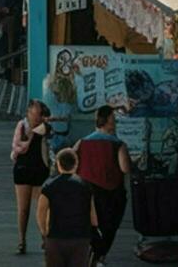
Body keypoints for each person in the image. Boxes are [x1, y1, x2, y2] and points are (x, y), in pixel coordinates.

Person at [75, 104, 131, 267]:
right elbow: (125, 168)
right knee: (109, 226)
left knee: (90, 225)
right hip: (112, 193)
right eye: (113, 119)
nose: (115, 123)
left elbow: (71, 160)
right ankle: (99, 256)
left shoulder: (82, 142)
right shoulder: (118, 144)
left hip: (87, 191)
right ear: (107, 122)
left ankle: (91, 253)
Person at [40, 147, 96, 267]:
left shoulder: (49, 186)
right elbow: (93, 218)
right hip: (80, 237)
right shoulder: (86, 186)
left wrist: (45, 233)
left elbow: (41, 212)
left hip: (56, 237)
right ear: (76, 164)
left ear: (58, 163)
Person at [13, 98, 54, 254]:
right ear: (28, 113)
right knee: (23, 209)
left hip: (40, 169)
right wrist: (32, 134)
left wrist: (44, 125)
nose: (37, 117)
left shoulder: (45, 128)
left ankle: (45, 238)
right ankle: (22, 241)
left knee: (42, 207)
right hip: (23, 168)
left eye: (39, 114)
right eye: (35, 114)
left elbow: (52, 138)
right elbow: (18, 147)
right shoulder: (22, 126)